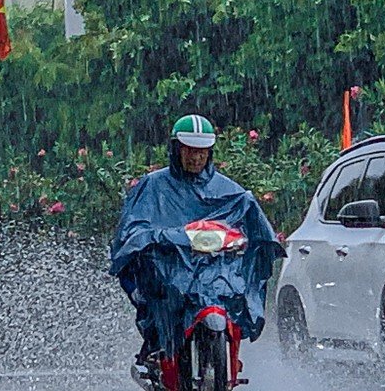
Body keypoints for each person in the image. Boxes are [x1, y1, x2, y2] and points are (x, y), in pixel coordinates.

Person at [108, 114, 280, 371]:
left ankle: (228, 353)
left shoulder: (230, 192)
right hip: (170, 267)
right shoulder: (153, 187)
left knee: (235, 288)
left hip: (215, 269)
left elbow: (252, 226)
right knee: (159, 291)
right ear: (176, 149)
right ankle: (158, 349)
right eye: (189, 150)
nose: (196, 158)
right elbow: (133, 230)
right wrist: (163, 238)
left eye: (202, 151)